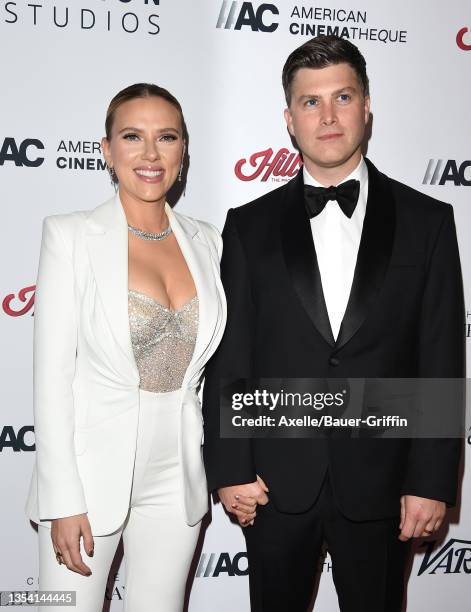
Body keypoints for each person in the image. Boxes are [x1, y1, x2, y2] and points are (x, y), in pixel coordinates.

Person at [202, 36, 464, 611]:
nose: (328, 116)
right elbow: (231, 354)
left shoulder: (429, 222)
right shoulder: (248, 225)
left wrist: (431, 480)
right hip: (272, 485)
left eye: (342, 97)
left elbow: (440, 356)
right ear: (289, 119)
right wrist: (231, 468)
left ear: (367, 106)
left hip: (384, 486)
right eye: (310, 102)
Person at [25, 83, 231, 611]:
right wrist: (62, 501)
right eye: (132, 137)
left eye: (166, 137)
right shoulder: (70, 235)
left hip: (177, 476)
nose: (149, 154)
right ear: (106, 149)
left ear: (183, 150)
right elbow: (51, 379)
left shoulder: (207, 240)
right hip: (89, 476)